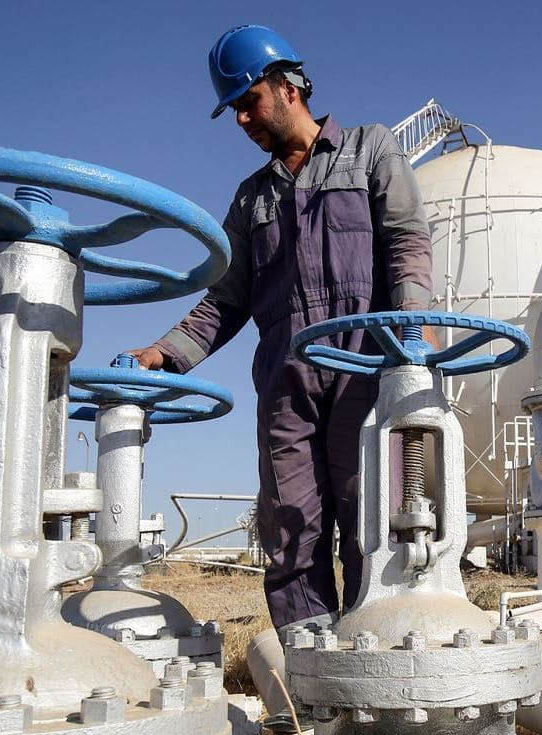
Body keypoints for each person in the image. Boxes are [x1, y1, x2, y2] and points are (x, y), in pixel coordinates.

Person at [130, 24, 433, 631]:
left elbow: (405, 239)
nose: (243, 120)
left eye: (249, 102)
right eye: (235, 110)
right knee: (291, 527)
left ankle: (382, 657)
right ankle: (310, 676)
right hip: (286, 383)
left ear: (288, 87)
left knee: (373, 519)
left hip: (366, 368)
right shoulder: (250, 201)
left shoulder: (370, 151)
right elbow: (227, 298)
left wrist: (411, 332)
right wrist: (164, 353)